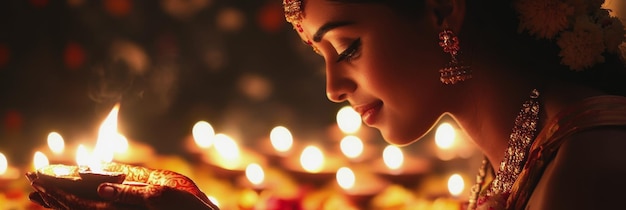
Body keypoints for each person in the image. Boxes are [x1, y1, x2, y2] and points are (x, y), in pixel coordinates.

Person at [27, 0, 626, 209]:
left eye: (347, 46)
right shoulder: (522, 145)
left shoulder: (591, 167)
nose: (333, 86)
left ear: (443, 12)